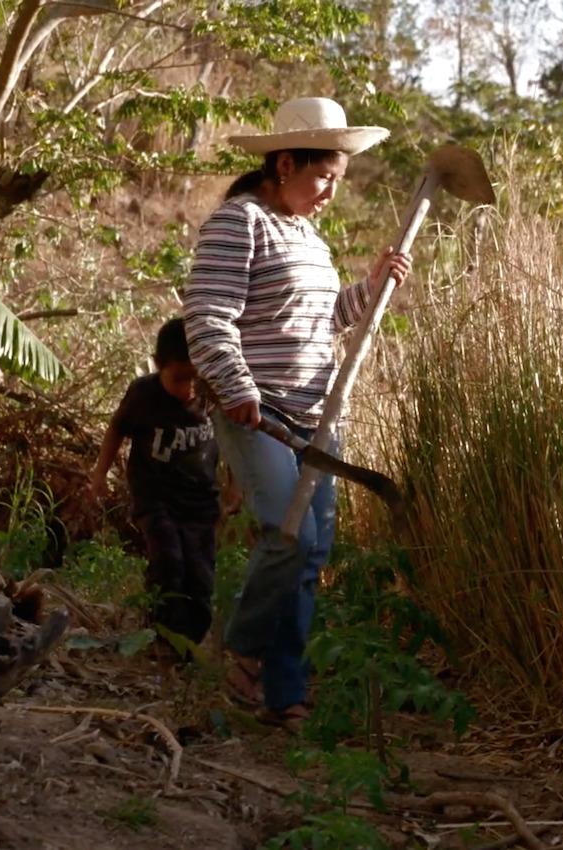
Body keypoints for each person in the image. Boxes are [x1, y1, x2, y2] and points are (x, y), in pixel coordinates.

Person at [183, 96, 411, 730]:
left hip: (315, 414)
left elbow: (320, 323)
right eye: (322, 178)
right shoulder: (239, 223)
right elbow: (207, 319)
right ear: (283, 163)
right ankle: (242, 655)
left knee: (313, 554)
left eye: (337, 181)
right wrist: (236, 388)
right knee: (289, 537)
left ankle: (284, 692)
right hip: (255, 409)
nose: (330, 194)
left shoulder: (308, 236)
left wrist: (371, 289)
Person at [89, 317, 220, 649]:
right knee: (169, 562)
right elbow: (116, 430)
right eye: (179, 379)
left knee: (201, 577)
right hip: (156, 497)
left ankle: (189, 646)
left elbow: (233, 441)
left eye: (194, 379)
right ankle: (162, 638)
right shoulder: (143, 394)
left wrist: (236, 490)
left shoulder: (212, 393)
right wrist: (99, 475)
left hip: (201, 501)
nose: (187, 389)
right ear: (159, 366)